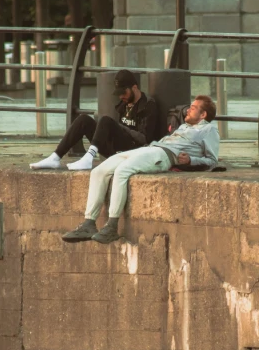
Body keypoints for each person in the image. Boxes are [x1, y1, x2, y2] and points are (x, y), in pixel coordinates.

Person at [63, 95, 219, 244]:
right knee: (99, 171)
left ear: (203, 114)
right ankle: (89, 223)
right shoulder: (185, 126)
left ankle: (112, 225)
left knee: (122, 171)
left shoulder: (209, 130)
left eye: (193, 108)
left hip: (163, 155)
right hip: (150, 148)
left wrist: (191, 160)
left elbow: (212, 160)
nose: (187, 110)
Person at [29, 69, 158, 171]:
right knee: (84, 119)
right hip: (116, 152)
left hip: (133, 152)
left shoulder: (148, 105)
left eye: (123, 92)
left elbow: (144, 139)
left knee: (106, 120)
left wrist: (120, 127)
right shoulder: (124, 104)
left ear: (134, 87)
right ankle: (55, 157)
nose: (121, 96)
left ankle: (88, 159)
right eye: (119, 93)